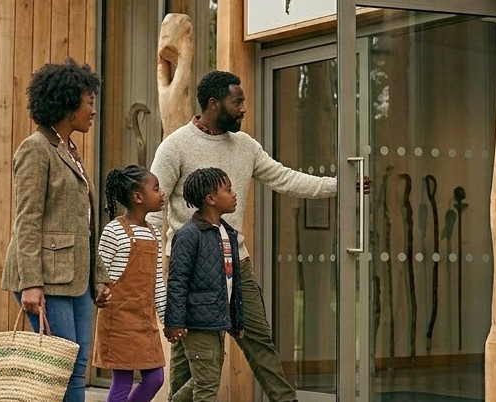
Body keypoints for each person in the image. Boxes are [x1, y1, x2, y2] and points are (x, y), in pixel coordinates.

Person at [148, 70, 370, 401]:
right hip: (190, 266)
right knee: (188, 354)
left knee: (259, 339)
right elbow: (154, 212)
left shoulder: (245, 146)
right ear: (213, 103)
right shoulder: (175, 147)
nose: (243, 108)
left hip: (237, 262)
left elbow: (285, 178)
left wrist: (338, 186)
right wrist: (154, 277)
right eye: (237, 101)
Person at [0, 58, 112, 402]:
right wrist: (31, 282)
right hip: (44, 278)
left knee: (76, 366)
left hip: (76, 278)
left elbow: (84, 223)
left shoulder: (69, 149)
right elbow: (27, 219)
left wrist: (100, 276)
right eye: (89, 102)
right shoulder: (35, 149)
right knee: (60, 370)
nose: (94, 110)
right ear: (67, 103)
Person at [164, 167, 245, 402]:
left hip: (215, 321)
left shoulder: (227, 233)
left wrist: (236, 319)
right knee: (207, 387)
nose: (234, 194)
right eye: (227, 190)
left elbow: (232, 283)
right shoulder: (189, 235)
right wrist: (174, 322)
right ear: (210, 199)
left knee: (202, 379)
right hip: (197, 323)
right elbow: (177, 281)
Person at [93, 165, 167, 402]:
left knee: (155, 378)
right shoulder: (114, 231)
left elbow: (157, 283)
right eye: (156, 189)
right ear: (138, 197)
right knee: (122, 381)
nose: (162, 193)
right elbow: (99, 272)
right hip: (119, 320)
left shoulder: (155, 233)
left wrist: (168, 319)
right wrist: (99, 292)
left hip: (145, 321)